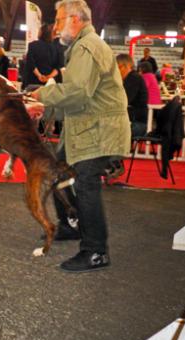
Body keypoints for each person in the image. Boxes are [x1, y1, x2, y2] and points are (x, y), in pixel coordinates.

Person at [30, 0, 130, 273]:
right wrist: (46, 108)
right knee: (60, 173)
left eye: (60, 19)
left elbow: (77, 93)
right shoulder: (85, 46)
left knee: (86, 185)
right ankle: (71, 225)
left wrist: (42, 96)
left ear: (75, 19)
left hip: (97, 132)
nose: (56, 26)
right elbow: (82, 98)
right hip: (89, 128)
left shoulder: (86, 47)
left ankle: (96, 251)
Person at [117, 53, 148, 137]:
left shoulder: (133, 78)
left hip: (136, 123)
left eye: (118, 68)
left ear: (126, 66)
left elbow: (123, 100)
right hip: (134, 120)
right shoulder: (132, 78)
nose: (116, 72)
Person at [22, 24, 59, 89]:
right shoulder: (56, 48)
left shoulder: (32, 45)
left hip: (32, 83)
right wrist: (48, 77)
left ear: (41, 33)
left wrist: (39, 75)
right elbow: (58, 67)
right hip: (49, 85)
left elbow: (31, 63)